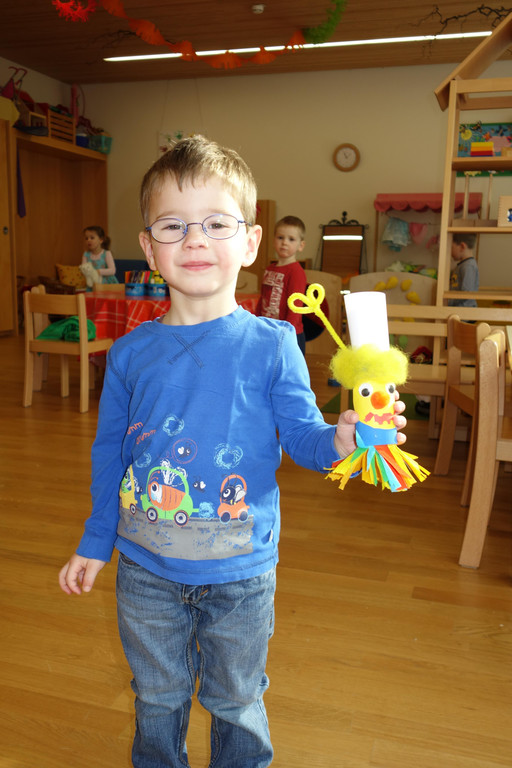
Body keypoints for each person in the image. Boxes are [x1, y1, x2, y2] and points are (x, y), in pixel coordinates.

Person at [59, 135, 406, 768]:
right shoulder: (129, 353)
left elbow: (303, 439)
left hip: (241, 573)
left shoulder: (274, 344)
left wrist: (340, 440)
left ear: (250, 243)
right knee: (157, 697)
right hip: (144, 568)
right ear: (149, 248)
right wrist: (94, 539)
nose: (195, 239)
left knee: (237, 699)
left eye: (217, 223)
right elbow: (110, 454)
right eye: (174, 225)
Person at [256, 215, 308, 354]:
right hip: (268, 331)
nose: (284, 242)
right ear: (274, 240)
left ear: (301, 245)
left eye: (291, 239)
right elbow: (263, 299)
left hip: (289, 335)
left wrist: (286, 332)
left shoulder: (296, 272)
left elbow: (296, 306)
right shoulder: (269, 269)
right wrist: (256, 322)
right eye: (280, 237)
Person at [447, 232, 479, 307]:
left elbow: (466, 293)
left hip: (465, 310)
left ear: (462, 246)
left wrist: (447, 301)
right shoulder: (462, 265)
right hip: (458, 308)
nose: (450, 251)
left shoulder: (468, 266)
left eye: (451, 247)